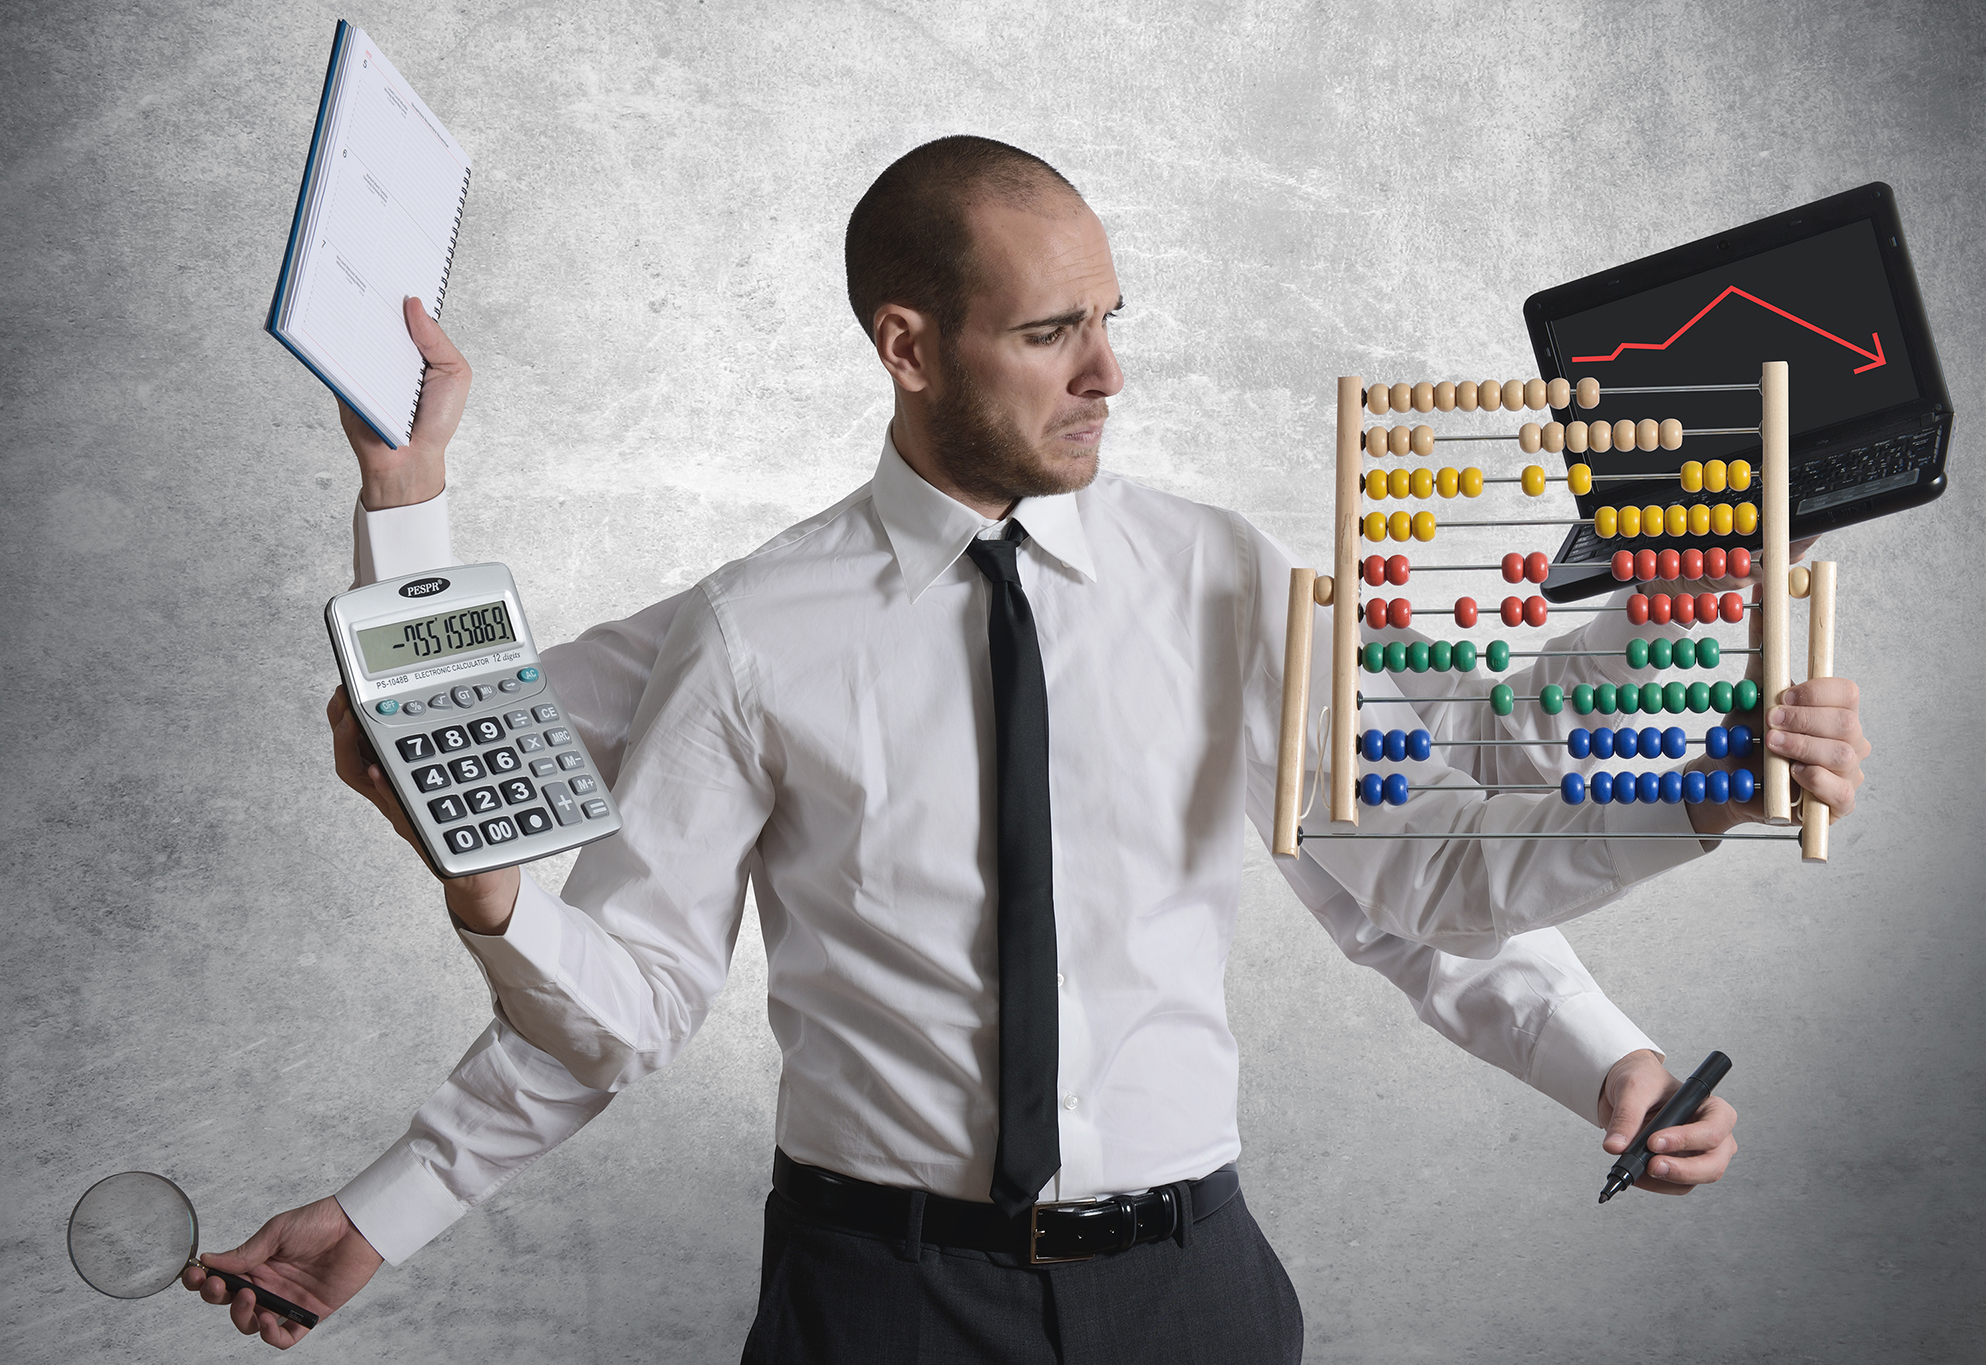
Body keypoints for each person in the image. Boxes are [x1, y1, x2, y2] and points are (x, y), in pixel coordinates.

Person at [187, 137, 1868, 1358]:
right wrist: (386, 1204)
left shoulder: (1224, 579)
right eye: (1055, 330)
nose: (1111, 371)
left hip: (1191, 1292)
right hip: (877, 1302)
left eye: (1113, 317)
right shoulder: (754, 627)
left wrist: (1656, 934)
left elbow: (1416, 870)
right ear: (907, 346)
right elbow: (567, 915)